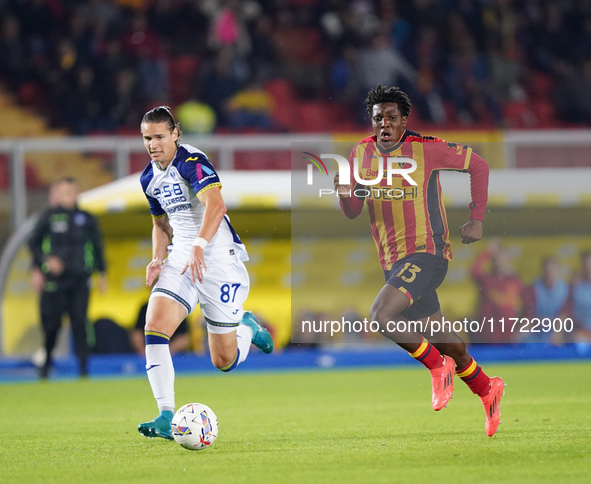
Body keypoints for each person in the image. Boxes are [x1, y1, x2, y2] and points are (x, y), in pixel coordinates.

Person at [334, 85, 505, 437]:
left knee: (381, 315)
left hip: (428, 252)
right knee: (444, 338)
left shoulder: (427, 149)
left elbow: (480, 165)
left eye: (392, 118)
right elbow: (354, 211)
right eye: (378, 117)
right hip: (393, 260)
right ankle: (487, 388)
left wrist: (478, 216)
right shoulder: (360, 153)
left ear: (404, 120)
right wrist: (344, 194)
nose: (384, 124)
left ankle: (435, 366)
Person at [137, 106, 273, 440]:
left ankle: (246, 326)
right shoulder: (148, 178)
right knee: (154, 327)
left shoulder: (191, 162)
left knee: (224, 360)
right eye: (146, 138)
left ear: (175, 134)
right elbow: (159, 223)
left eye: (158, 137)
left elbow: (217, 206)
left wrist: (199, 244)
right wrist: (158, 257)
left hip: (217, 259)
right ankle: (166, 415)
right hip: (182, 256)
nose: (153, 144)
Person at [28, 177, 107, 378]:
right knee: (51, 325)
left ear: (77, 193)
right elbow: (33, 244)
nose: (68, 196)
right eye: (64, 192)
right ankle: (45, 366)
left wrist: (102, 273)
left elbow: (97, 247)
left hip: (80, 281)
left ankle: (83, 370)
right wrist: (45, 262)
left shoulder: (87, 218)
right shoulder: (48, 217)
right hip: (54, 282)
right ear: (58, 194)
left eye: (71, 192)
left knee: (80, 322)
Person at [471, 238, 525, 343]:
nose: (499, 262)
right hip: (487, 336)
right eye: (496, 259)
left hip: (509, 337)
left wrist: (520, 332)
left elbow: (524, 308)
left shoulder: (515, 281)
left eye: (502, 258)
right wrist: (487, 251)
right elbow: (474, 270)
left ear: (507, 259)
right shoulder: (486, 280)